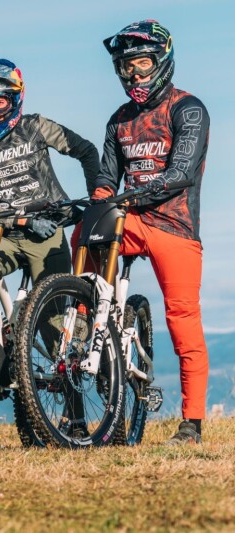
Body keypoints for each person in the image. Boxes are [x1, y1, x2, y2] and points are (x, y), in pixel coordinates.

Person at [0, 59, 100, 435]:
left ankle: (75, 416)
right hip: (3, 235)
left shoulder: (35, 126)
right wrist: (18, 220)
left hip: (47, 234)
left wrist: (97, 198)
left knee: (54, 326)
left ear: (15, 100)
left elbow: (85, 150)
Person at [88, 20, 210, 445]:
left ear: (161, 61)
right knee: (84, 230)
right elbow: (107, 177)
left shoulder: (188, 108)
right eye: (126, 67)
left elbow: (182, 172)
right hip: (130, 219)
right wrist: (99, 200)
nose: (134, 74)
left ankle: (192, 422)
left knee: (182, 318)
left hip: (174, 225)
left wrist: (131, 194)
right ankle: (86, 322)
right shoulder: (118, 120)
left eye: (141, 63)